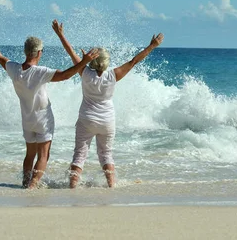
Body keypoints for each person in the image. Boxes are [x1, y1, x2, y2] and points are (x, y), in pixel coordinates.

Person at [0, 24, 99, 189]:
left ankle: (25, 183)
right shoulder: (40, 72)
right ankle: (32, 185)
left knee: (30, 154)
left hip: (27, 119)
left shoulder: (14, 69)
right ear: (39, 53)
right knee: (43, 155)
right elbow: (66, 75)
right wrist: (85, 62)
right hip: (43, 119)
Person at [52, 19, 164, 188]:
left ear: (91, 61)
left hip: (86, 119)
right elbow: (134, 61)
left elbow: (70, 52)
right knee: (106, 154)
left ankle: (73, 186)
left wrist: (61, 34)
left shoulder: (84, 72)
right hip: (107, 120)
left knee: (80, 154)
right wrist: (152, 46)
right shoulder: (113, 75)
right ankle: (111, 184)